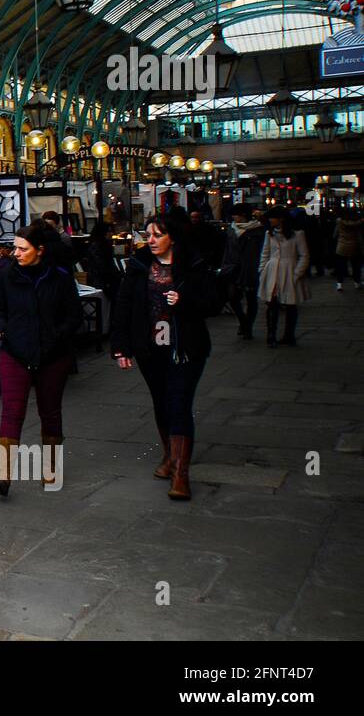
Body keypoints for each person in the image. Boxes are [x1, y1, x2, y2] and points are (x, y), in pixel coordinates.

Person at [111, 214, 220, 501]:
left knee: (179, 402)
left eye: (158, 235)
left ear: (172, 236)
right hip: (151, 348)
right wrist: (120, 346)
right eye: (148, 235)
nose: (152, 240)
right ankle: (170, 456)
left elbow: (213, 302)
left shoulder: (192, 264)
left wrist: (185, 302)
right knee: (161, 402)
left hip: (185, 347)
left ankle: (181, 474)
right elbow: (123, 305)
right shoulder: (139, 265)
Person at [0, 223, 84, 497]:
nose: (15, 253)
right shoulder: (6, 276)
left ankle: (51, 469)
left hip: (53, 354)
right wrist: (3, 327)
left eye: (22, 248)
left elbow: (74, 315)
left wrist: (57, 336)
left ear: (39, 250)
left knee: (50, 411)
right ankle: (3, 474)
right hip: (15, 352)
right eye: (14, 247)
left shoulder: (60, 278)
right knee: (12, 410)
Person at [258, 205, 310, 347]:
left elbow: (304, 255)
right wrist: (262, 270)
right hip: (273, 270)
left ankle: (289, 335)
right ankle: (271, 335)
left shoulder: (297, 234)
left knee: (290, 304)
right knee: (272, 303)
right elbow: (265, 252)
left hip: (289, 269)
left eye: (272, 217)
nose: (270, 220)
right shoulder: (269, 234)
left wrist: (296, 274)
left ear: (281, 219)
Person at [223, 204, 264, 340]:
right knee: (233, 297)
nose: (234, 217)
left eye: (237, 215)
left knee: (251, 298)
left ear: (244, 215)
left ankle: (248, 327)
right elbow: (227, 250)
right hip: (234, 268)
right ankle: (243, 321)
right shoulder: (231, 230)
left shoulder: (257, 230)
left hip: (250, 268)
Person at [79, 221, 121, 314]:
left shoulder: (102, 245)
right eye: (109, 231)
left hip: (103, 281)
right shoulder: (98, 246)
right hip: (101, 282)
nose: (111, 234)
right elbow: (102, 266)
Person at [332, 208, 363, 291]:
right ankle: (356, 283)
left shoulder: (340, 223)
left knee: (340, 267)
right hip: (354, 247)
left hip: (341, 247)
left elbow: (334, 235)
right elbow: (359, 237)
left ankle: (339, 284)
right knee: (356, 266)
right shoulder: (357, 224)